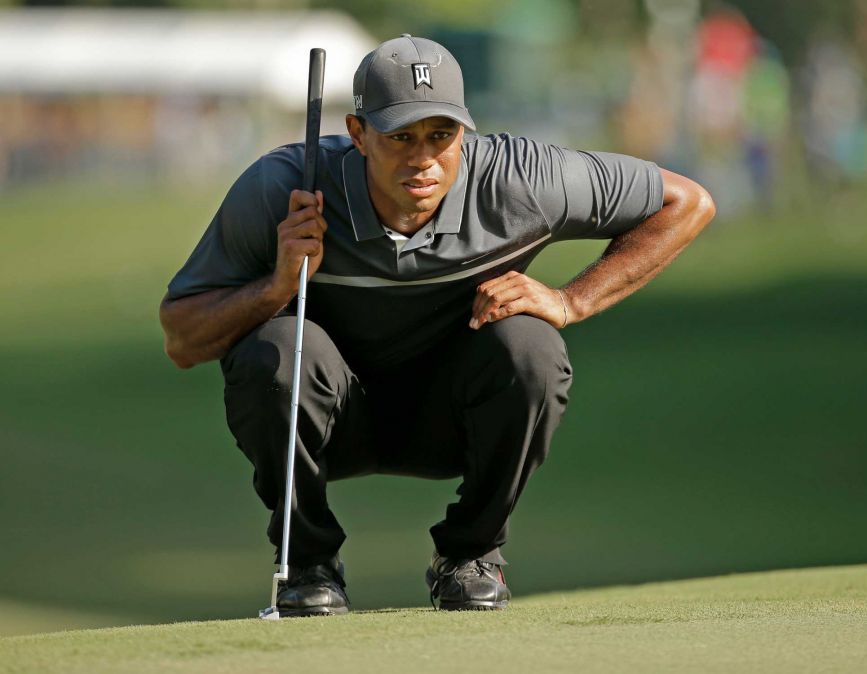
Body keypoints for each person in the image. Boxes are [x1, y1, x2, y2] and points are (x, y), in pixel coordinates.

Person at [159, 35, 715, 616]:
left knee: (532, 347)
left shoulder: (520, 179)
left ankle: (471, 556)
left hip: (453, 417)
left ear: (464, 133)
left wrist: (571, 301)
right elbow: (181, 338)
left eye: (440, 135)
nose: (422, 157)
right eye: (400, 137)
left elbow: (688, 203)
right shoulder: (284, 188)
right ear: (357, 133)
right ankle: (308, 563)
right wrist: (276, 286)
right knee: (275, 348)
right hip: (327, 418)